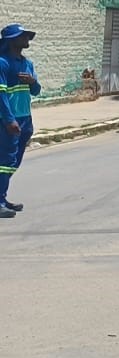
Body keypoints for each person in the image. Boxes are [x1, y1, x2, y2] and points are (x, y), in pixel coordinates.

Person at [0, 23, 41, 217]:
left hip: (25, 119)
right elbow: (1, 95)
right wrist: (9, 120)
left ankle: (2, 196)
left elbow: (36, 91)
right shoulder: (3, 63)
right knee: (5, 161)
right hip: (8, 121)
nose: (26, 39)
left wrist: (33, 82)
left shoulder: (28, 64)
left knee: (14, 162)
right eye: (22, 35)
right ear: (11, 41)